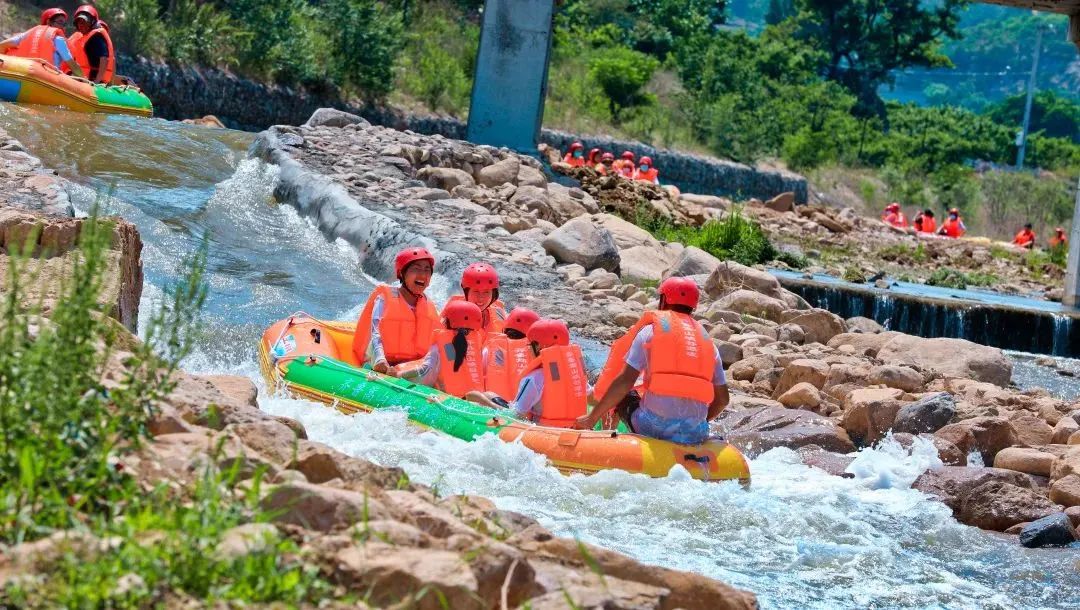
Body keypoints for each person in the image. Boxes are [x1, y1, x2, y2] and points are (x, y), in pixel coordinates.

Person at [575, 277, 730, 445]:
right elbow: (723, 400)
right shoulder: (709, 344)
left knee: (625, 396)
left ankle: (608, 435)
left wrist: (592, 416)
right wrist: (698, 423)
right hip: (695, 432)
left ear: (663, 300)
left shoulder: (650, 332)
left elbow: (624, 382)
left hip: (653, 427)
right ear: (694, 305)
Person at [467, 319, 588, 428]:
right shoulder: (576, 374)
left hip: (542, 431)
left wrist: (483, 401)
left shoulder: (534, 378)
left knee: (483, 397)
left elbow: (516, 416)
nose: (528, 349)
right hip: (572, 429)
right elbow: (591, 396)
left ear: (539, 346)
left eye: (530, 345)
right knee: (490, 394)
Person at [352, 247, 440, 373]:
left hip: (410, 368)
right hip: (379, 363)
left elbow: (438, 344)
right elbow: (374, 331)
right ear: (402, 273)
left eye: (427, 270)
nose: (422, 275)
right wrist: (380, 360)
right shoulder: (384, 299)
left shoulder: (430, 306)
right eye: (416, 269)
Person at [393, 301, 485, 398]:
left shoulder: (446, 346)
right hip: (477, 398)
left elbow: (425, 370)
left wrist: (398, 374)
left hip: (453, 399)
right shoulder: (478, 345)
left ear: (448, 322)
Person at [476, 307, 540, 402]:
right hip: (521, 410)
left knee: (473, 394)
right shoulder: (536, 354)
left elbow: (479, 375)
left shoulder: (490, 348)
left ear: (505, 328)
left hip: (493, 403)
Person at [0, 9, 84, 78]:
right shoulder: (58, 40)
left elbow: (2, 45)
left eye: (64, 24)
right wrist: (85, 80)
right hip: (47, 78)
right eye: (60, 22)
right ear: (48, 22)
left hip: (23, 74)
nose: (62, 26)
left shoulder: (26, 35)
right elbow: (72, 66)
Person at [444, 262, 507, 335]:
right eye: (476, 291)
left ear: (493, 294)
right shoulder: (451, 317)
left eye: (486, 292)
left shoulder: (499, 314)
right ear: (466, 292)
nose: (481, 297)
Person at [66, 4, 114, 84]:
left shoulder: (96, 37)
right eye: (78, 22)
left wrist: (97, 81)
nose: (81, 25)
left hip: (92, 80)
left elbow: (104, 59)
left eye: (84, 21)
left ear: (92, 22)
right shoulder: (84, 38)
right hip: (83, 78)